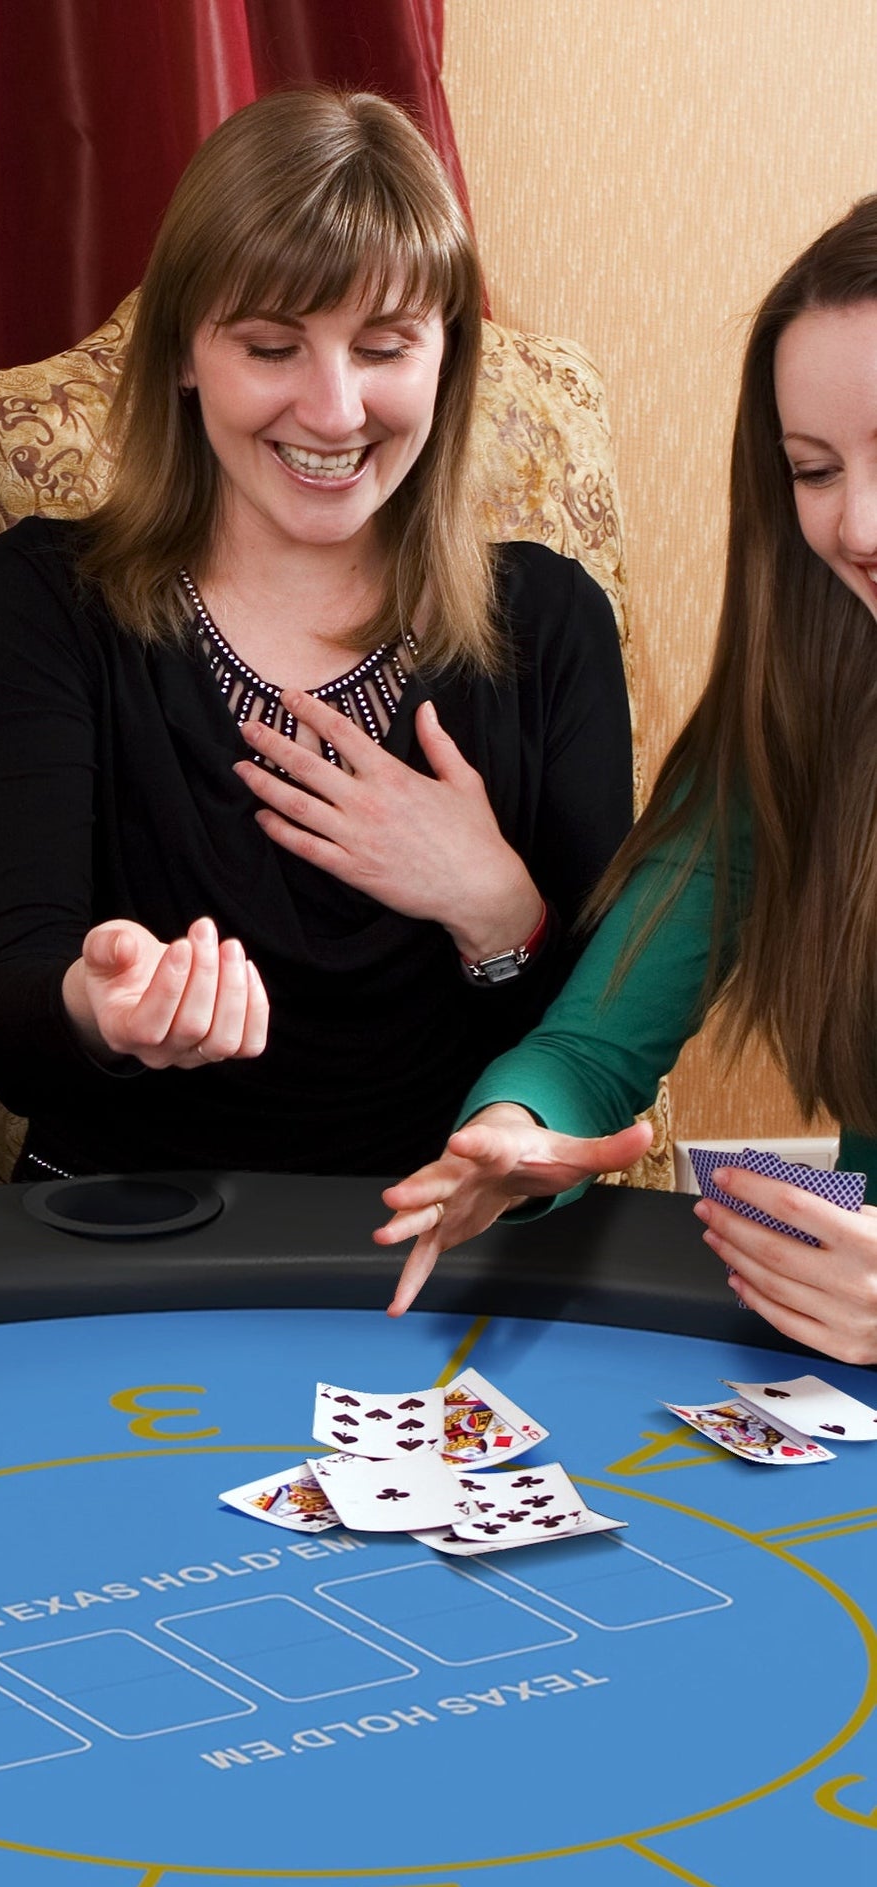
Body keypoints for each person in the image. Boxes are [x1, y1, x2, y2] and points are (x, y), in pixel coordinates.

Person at [0, 91, 633, 1182]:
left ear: (445, 359)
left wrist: (494, 904)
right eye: (272, 347)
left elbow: (607, 1049)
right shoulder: (43, 599)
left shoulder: (548, 623)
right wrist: (100, 1006)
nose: (331, 409)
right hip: (129, 1237)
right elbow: (4, 1018)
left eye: (382, 347)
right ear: (184, 353)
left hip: (442, 1232)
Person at [378, 197, 877, 1368]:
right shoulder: (793, 717)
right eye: (811, 469)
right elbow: (593, 1051)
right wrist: (512, 1132)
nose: (855, 523)